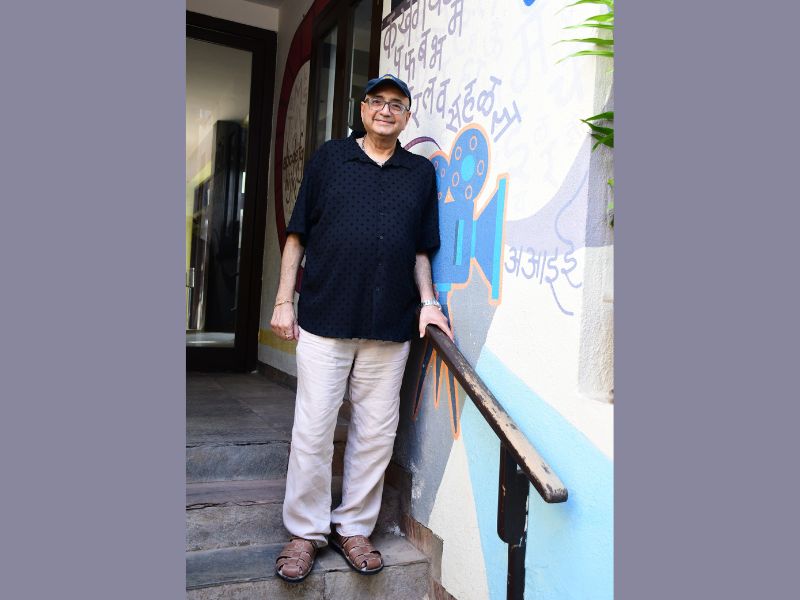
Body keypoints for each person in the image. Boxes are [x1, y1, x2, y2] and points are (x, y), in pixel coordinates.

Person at [271, 74, 453, 583]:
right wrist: (284, 301)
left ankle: (353, 528)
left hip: (389, 324)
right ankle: (305, 533)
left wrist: (428, 303)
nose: (386, 110)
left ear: (407, 116)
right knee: (313, 431)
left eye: (397, 104)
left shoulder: (419, 173)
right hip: (325, 318)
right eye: (378, 101)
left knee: (375, 435)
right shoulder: (331, 158)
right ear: (363, 108)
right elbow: (297, 234)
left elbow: (420, 248)